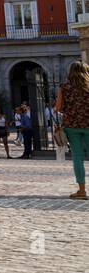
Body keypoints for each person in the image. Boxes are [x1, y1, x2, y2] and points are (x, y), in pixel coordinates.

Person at [56, 62, 89, 199]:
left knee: (77, 157)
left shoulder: (65, 87)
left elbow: (58, 108)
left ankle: (82, 191)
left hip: (72, 126)